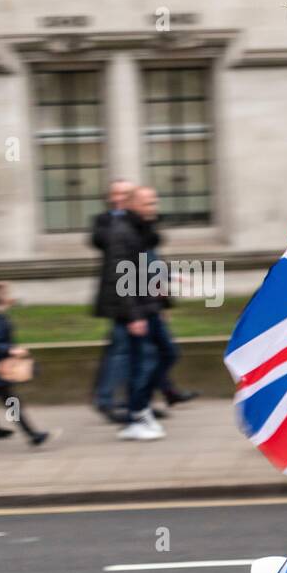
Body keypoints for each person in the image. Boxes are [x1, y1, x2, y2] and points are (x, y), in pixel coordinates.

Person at [106, 186, 177, 441]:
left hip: (150, 305)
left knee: (168, 353)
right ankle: (137, 415)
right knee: (142, 363)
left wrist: (168, 281)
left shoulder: (139, 229)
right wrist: (134, 316)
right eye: (148, 204)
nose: (153, 208)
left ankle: (140, 407)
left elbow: (149, 262)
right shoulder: (121, 232)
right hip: (136, 310)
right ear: (134, 204)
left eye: (155, 203)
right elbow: (120, 275)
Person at [0, 282, 52, 447]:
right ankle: (32, 434)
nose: (13, 299)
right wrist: (11, 350)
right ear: (5, 300)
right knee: (11, 402)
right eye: (10, 296)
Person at [90, 180, 134, 422]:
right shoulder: (105, 221)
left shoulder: (136, 220)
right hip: (119, 297)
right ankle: (108, 399)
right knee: (120, 349)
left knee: (127, 349)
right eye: (117, 193)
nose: (121, 197)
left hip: (136, 296)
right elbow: (99, 241)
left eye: (126, 193)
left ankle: (133, 400)